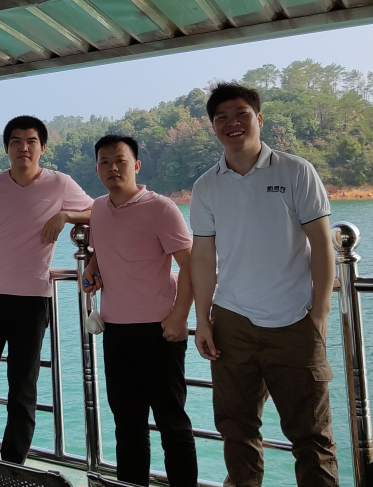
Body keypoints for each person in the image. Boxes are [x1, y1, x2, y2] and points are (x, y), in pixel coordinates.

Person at [189, 83, 337, 487]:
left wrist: (320, 312)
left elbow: (322, 245)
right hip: (232, 320)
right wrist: (203, 320)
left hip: (295, 318)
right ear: (213, 126)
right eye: (221, 117)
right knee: (235, 426)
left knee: (311, 433)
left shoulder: (296, 171)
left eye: (241, 114)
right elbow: (202, 257)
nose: (232, 123)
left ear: (259, 118)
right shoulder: (207, 186)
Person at [0, 115, 93, 464]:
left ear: (42, 147)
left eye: (31, 141)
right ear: (7, 148)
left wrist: (66, 216)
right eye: (15, 141)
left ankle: (12, 467)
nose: (23, 147)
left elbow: (99, 210)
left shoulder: (60, 183)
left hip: (33, 301)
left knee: (22, 391)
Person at [84, 135, 197, 487]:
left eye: (120, 160)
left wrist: (180, 317)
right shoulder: (98, 208)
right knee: (127, 424)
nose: (112, 168)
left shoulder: (161, 208)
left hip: (159, 328)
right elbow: (104, 247)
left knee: (171, 422)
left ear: (136, 165)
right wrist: (93, 267)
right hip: (116, 329)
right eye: (104, 162)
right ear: (97, 169)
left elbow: (190, 265)